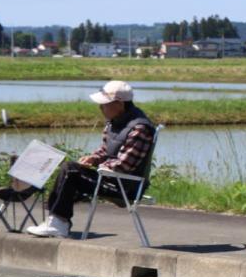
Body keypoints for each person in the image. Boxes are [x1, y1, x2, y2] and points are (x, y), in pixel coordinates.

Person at [26, 80, 155, 238]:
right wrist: (94, 158)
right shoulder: (114, 123)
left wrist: (101, 166)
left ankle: (58, 223)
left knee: (71, 170)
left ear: (120, 104)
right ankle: (56, 221)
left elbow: (124, 165)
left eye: (104, 104)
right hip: (111, 179)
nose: (100, 107)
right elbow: (105, 150)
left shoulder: (140, 128)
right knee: (70, 170)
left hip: (125, 187)